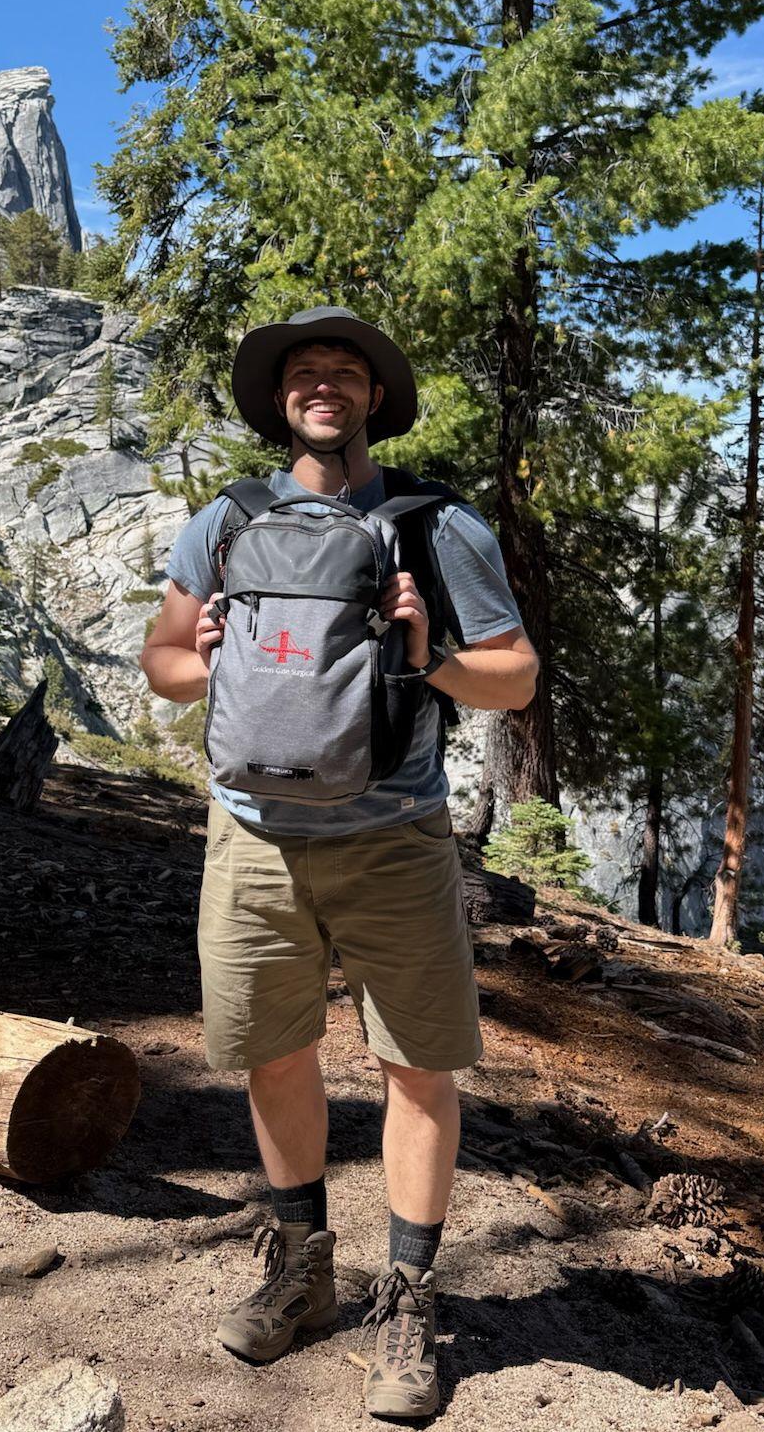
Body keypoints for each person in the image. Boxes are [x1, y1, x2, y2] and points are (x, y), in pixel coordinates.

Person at [139, 306, 537, 1419]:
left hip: (392, 833)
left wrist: (435, 653)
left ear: (374, 397)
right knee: (275, 1052)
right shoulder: (223, 520)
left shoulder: (436, 525)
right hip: (250, 833)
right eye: (304, 373)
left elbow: (516, 677)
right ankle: (302, 1268)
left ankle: (407, 1299)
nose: (323, 386)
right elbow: (164, 662)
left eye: (344, 373)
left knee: (416, 1064)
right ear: (280, 400)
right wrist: (203, 654)